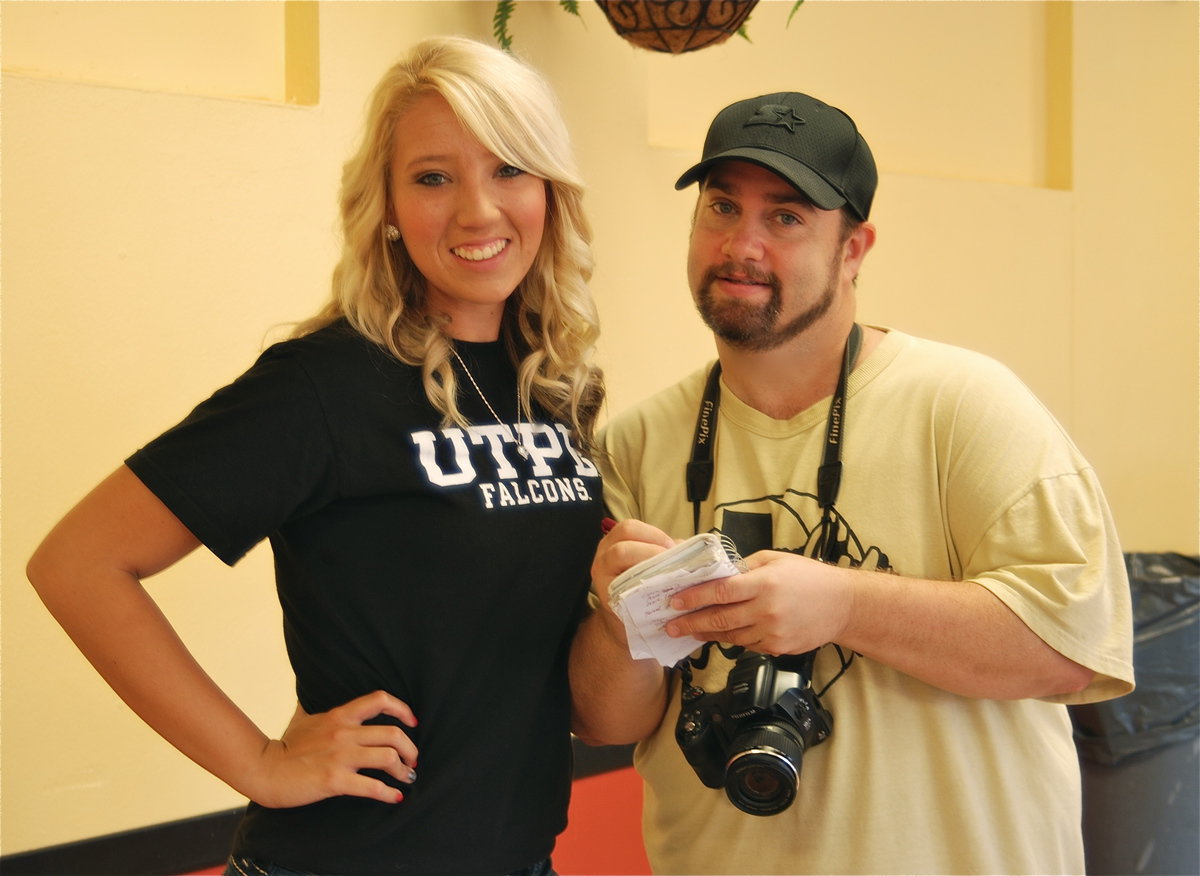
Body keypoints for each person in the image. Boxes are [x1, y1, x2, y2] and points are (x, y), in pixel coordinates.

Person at [27, 36, 604, 876]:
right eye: (433, 177)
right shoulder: (324, 385)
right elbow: (78, 563)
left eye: (510, 167)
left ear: (549, 188)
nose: (478, 210)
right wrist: (260, 762)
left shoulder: (554, 386)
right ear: (389, 207)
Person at [569, 91, 1134, 875]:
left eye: (786, 217)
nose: (742, 244)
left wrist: (843, 604)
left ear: (854, 250)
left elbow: (1072, 647)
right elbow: (604, 722)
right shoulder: (636, 443)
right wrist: (617, 622)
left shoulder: (965, 405)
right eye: (722, 207)